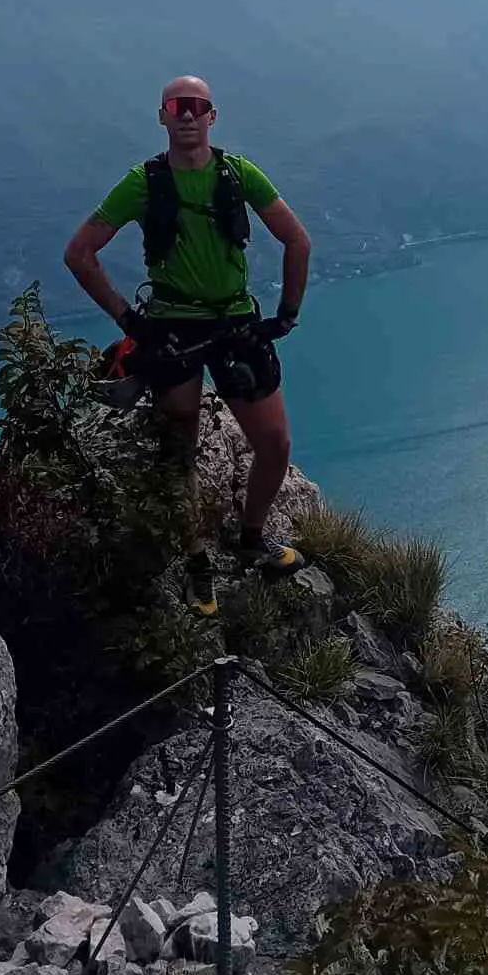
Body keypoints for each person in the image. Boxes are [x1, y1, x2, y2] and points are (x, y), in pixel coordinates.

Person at [63, 74, 312, 618]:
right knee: (181, 453)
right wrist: (131, 320)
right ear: (163, 116)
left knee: (275, 443)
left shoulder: (238, 174)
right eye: (177, 106)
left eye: (197, 106)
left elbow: (298, 240)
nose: (188, 115)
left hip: (235, 324)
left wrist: (285, 316)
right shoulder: (143, 182)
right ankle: (198, 561)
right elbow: (79, 252)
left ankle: (251, 538)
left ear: (212, 116)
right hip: (172, 328)